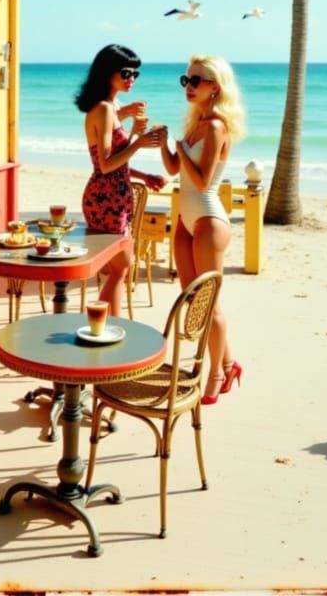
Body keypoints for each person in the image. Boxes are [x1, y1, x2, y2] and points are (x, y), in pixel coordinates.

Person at [158, 54, 247, 404]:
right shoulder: (195, 124)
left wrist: (180, 149)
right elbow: (173, 170)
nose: (189, 86)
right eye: (186, 80)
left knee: (209, 305)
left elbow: (203, 181)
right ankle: (229, 363)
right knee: (193, 300)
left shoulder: (215, 127)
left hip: (208, 221)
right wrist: (165, 144)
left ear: (215, 87)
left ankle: (217, 374)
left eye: (196, 80)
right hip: (185, 219)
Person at [76, 44, 166, 314]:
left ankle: (106, 324)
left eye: (136, 74)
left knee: (121, 268)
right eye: (126, 73)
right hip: (107, 199)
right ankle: (106, 324)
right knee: (121, 268)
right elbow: (105, 165)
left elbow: (116, 162)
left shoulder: (111, 107)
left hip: (114, 194)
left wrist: (144, 175)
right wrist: (138, 142)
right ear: (107, 73)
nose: (132, 79)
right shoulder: (104, 109)